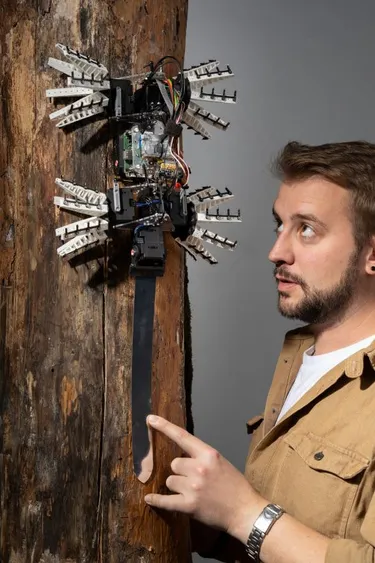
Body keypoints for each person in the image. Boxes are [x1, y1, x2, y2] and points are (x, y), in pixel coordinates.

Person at [144, 140, 375, 562]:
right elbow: (269, 540)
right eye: (280, 226)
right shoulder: (301, 355)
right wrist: (192, 497)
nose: (276, 252)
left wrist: (242, 512)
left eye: (307, 229)